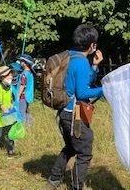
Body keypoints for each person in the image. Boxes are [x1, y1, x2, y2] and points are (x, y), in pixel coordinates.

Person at [45, 24, 104, 190]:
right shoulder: (81, 62)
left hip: (64, 111)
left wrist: (94, 66)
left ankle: (53, 180)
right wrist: (106, 89)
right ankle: (76, 186)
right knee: (85, 150)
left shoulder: (70, 57)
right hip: (74, 115)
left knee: (71, 147)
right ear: (92, 45)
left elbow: (81, 81)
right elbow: (83, 92)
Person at [15, 54, 35, 125]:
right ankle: (30, 125)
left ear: (25, 63)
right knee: (26, 111)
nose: (20, 62)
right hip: (28, 96)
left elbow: (22, 85)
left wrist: (17, 96)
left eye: (21, 61)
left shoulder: (24, 74)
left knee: (21, 112)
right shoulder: (30, 73)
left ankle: (22, 128)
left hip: (22, 97)